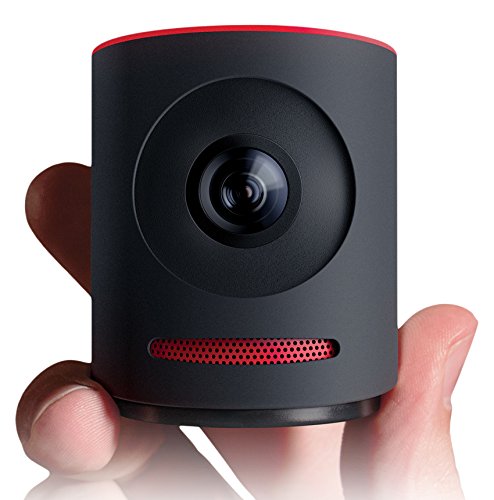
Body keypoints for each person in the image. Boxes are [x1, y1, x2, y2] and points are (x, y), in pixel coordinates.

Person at [17, 163, 477, 499]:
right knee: (77, 427)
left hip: (317, 377)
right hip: (163, 377)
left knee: (77, 425)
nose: (246, 192)